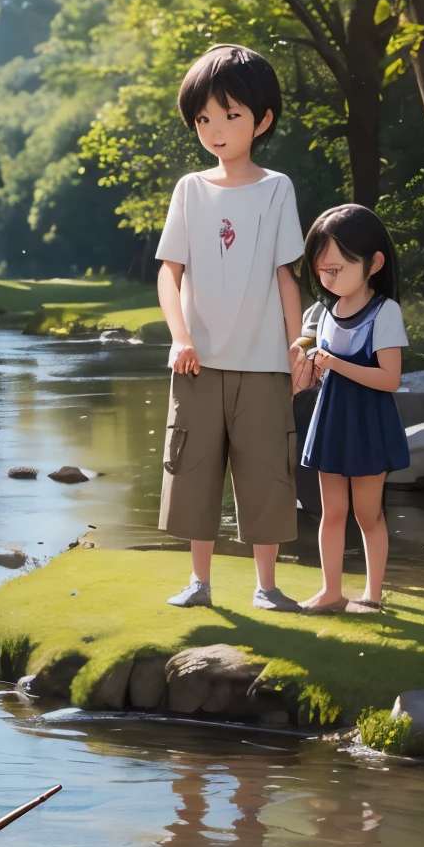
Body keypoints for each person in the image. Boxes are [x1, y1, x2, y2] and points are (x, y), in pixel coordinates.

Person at [154, 43, 314, 612]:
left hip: (266, 362)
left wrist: (300, 348)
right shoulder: (189, 190)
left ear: (262, 119)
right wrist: (180, 337)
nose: (215, 130)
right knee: (194, 471)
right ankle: (200, 583)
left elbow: (286, 278)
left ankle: (267, 586)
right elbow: (169, 275)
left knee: (268, 474)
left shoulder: (277, 188)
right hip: (197, 363)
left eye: (230, 115)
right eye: (203, 118)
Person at [296, 205, 410, 614]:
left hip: (368, 422)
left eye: (338, 268)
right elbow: (320, 365)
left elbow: (390, 379)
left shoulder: (385, 312)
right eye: (323, 271)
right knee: (332, 512)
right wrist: (307, 366)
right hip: (331, 420)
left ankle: (372, 595)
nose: (329, 278)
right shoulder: (326, 313)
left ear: (374, 263)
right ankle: (331, 591)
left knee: (366, 514)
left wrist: (336, 364)